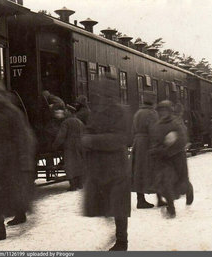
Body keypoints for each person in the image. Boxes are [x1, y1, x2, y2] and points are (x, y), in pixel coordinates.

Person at [0, 79, 36, 243]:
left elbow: (24, 137)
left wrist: (24, 161)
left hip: (11, 160)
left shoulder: (12, 112)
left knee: (10, 191)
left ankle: (19, 215)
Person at [81, 92, 131, 251]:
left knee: (118, 205)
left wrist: (92, 140)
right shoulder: (96, 113)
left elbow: (120, 138)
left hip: (117, 166)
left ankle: (122, 241)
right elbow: (88, 131)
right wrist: (86, 139)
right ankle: (118, 234)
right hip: (100, 166)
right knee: (105, 202)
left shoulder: (121, 112)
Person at [150, 100, 191, 218]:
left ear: (169, 111)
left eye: (165, 111)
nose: (162, 113)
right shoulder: (157, 125)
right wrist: (156, 150)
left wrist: (169, 147)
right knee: (165, 183)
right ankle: (171, 208)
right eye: (160, 111)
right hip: (164, 159)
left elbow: (182, 140)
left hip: (177, 158)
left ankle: (188, 190)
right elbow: (154, 141)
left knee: (181, 182)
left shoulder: (176, 123)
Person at [131, 91, 159, 208]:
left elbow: (133, 130)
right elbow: (154, 131)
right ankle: (161, 198)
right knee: (154, 169)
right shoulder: (152, 113)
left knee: (139, 171)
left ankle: (140, 199)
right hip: (147, 143)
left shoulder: (138, 113)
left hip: (137, 143)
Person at [52, 114, 86, 191]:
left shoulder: (66, 122)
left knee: (70, 165)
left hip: (70, 146)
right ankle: (80, 184)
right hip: (80, 145)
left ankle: (73, 185)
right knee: (79, 163)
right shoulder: (80, 122)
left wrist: (54, 146)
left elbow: (61, 136)